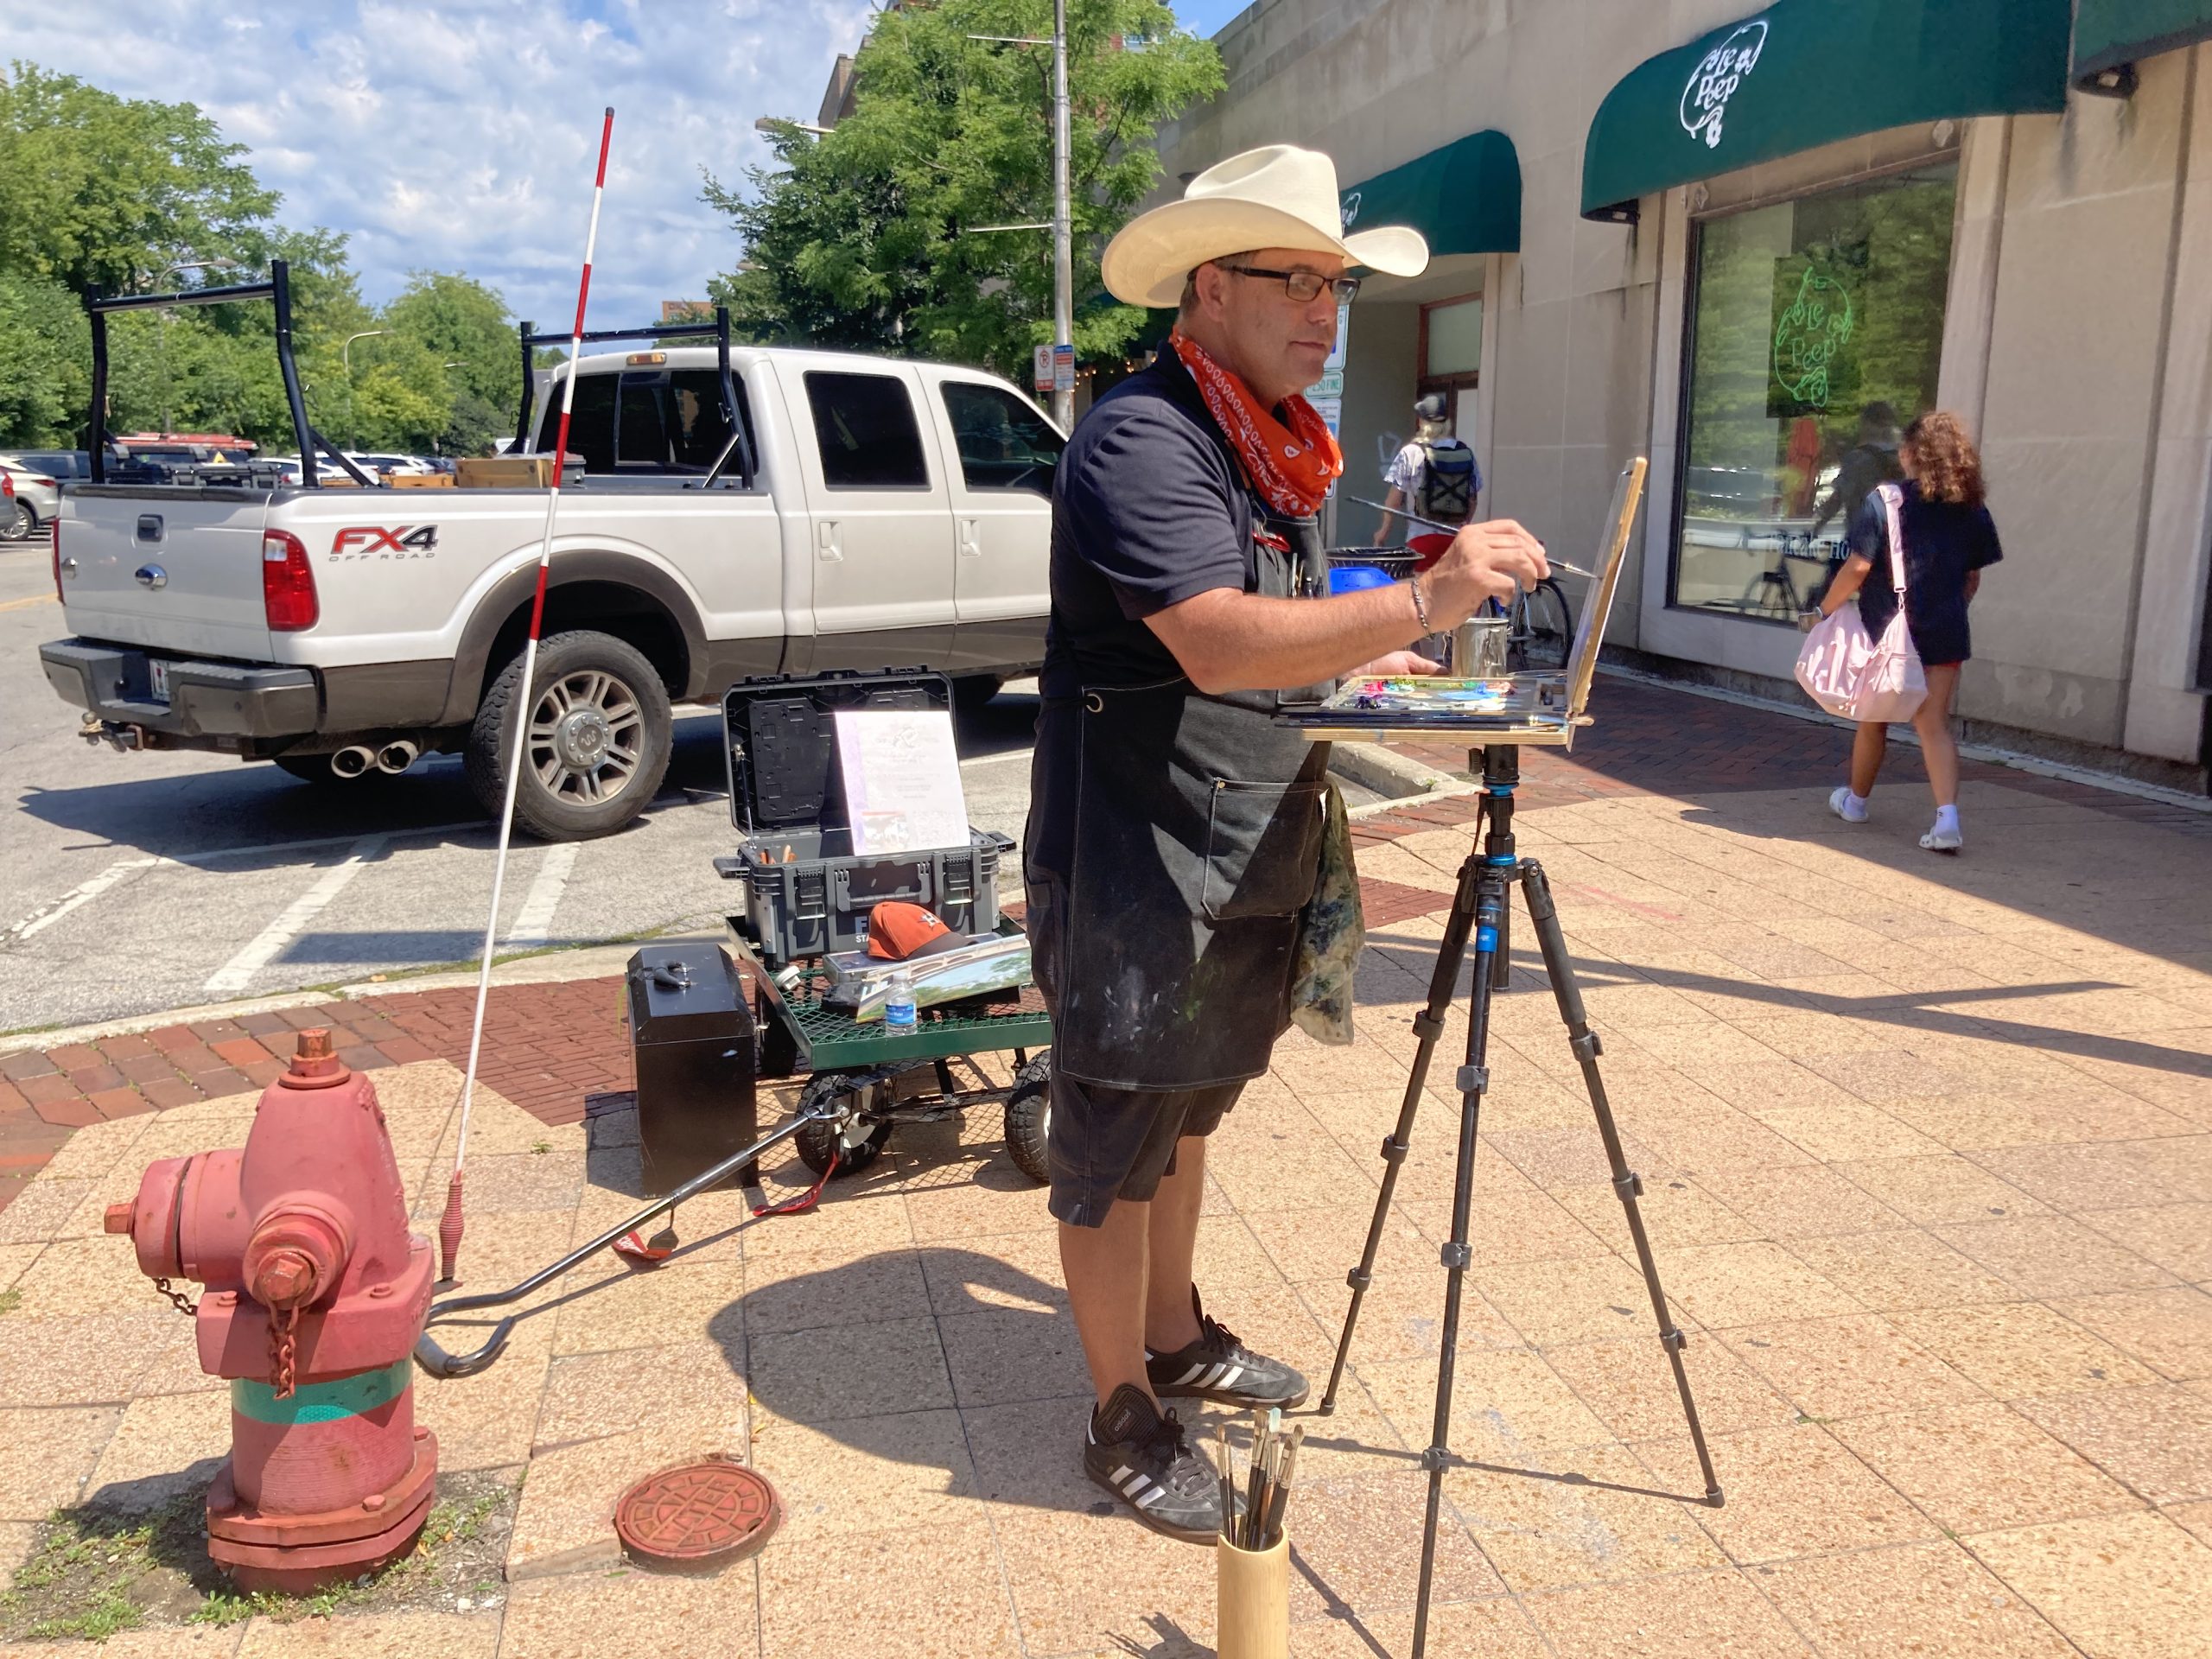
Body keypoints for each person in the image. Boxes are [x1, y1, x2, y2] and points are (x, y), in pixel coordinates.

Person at [1025, 144, 1548, 1544]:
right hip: (1140, 854)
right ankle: (1121, 1409)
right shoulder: (1146, 436)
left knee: (1193, 1104)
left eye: (1335, 284)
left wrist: (1419, 663)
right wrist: (1424, 605)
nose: (1326, 310)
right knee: (1116, 1134)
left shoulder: (1267, 440)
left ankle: (1177, 1330)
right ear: (1212, 286)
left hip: (1243, 832)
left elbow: (1301, 643)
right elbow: (1213, 636)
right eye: (1297, 280)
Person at [1816, 410, 2001, 852]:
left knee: (1873, 718)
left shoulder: (1885, 502)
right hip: (1945, 629)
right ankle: (1947, 820)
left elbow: (1859, 566)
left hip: (1888, 630)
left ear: (1912, 455)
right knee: (1933, 724)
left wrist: (1825, 610)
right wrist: (1952, 608)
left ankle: (1856, 801)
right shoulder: (1971, 507)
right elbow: (1972, 576)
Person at [1375, 392, 1479, 542]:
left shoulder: (1411, 452)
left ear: (1421, 422)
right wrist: (1464, 524)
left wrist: (1383, 532)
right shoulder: (1464, 452)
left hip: (1421, 539)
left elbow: (1394, 502)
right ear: (1446, 423)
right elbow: (1473, 499)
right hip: (1454, 541)